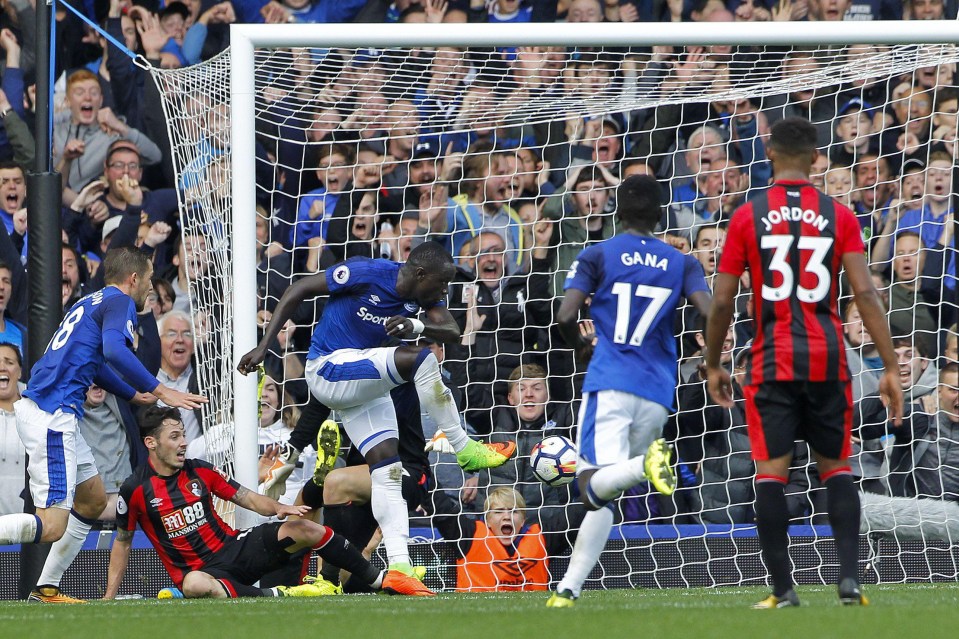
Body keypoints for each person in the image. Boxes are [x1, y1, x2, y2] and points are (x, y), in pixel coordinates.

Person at [238, 241, 516, 595]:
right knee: (420, 361)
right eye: (441, 284)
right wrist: (265, 345)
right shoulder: (365, 273)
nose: (444, 291)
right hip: (327, 366)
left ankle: (399, 566)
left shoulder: (424, 297)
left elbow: (451, 330)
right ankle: (463, 447)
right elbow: (299, 288)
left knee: (388, 471)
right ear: (420, 274)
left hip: (362, 386)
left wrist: (416, 325)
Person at [704, 116, 903, 608]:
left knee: (770, 473)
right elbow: (865, 293)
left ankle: (782, 589)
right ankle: (850, 581)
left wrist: (713, 362)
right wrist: (892, 366)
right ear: (817, 158)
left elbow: (724, 298)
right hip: (828, 357)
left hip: (771, 360)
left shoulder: (748, 215)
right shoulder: (840, 215)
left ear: (769, 154)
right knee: (836, 468)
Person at [0, 248, 207, 603]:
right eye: (148, 280)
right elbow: (114, 349)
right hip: (52, 416)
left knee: (93, 500)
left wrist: (133, 393)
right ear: (134, 279)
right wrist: (160, 390)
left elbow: (93, 362)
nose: (149, 292)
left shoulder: (87, 303)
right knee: (52, 526)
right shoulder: (120, 303)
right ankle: (44, 586)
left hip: (53, 413)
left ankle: (46, 589)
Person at [546, 174, 712, 607]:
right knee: (605, 494)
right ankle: (568, 589)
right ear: (660, 215)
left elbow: (565, 315)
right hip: (658, 389)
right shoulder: (683, 262)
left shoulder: (597, 253)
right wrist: (713, 363)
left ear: (617, 211)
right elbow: (712, 314)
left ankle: (646, 465)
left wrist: (582, 343)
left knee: (588, 483)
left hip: (610, 382)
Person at [104, 406, 412, 599]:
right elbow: (122, 542)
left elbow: (246, 497)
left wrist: (278, 508)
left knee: (302, 527)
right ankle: (276, 594)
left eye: (183, 434)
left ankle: (382, 580)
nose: (183, 442)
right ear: (151, 443)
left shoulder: (199, 470)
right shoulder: (136, 490)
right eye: (174, 437)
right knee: (194, 585)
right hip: (202, 574)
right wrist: (108, 598)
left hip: (235, 549)